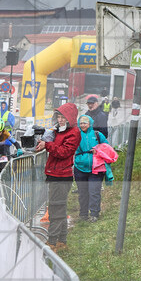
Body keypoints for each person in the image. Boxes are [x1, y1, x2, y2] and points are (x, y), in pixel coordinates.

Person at [33, 102, 80, 251]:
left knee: (55, 209)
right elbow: (55, 147)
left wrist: (47, 146)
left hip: (62, 176)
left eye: (63, 117)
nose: (60, 120)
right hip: (54, 173)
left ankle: (52, 242)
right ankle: (62, 241)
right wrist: (44, 144)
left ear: (70, 118)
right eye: (58, 117)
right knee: (59, 209)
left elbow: (64, 152)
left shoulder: (74, 133)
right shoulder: (59, 131)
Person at [73, 114, 108, 222]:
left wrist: (98, 149)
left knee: (94, 191)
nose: (83, 125)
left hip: (96, 168)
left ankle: (94, 214)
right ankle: (83, 214)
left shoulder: (98, 135)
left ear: (90, 123)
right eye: (81, 123)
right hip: (80, 167)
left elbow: (107, 147)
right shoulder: (76, 135)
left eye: (85, 123)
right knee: (83, 193)